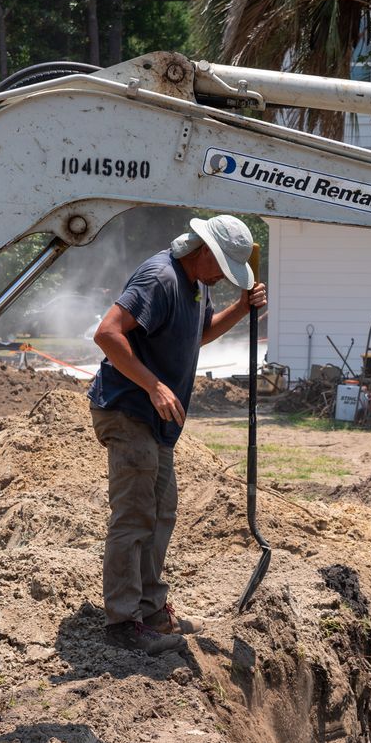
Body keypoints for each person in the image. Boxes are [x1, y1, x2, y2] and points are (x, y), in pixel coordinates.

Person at [89, 215, 266, 653]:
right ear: (203, 249)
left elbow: (198, 335)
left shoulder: (194, 283)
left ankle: (150, 609)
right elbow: (107, 334)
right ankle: (122, 624)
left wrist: (241, 309)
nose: (224, 277)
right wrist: (154, 385)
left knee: (161, 511)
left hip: (157, 422)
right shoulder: (160, 277)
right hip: (128, 410)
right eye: (222, 265)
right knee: (134, 515)